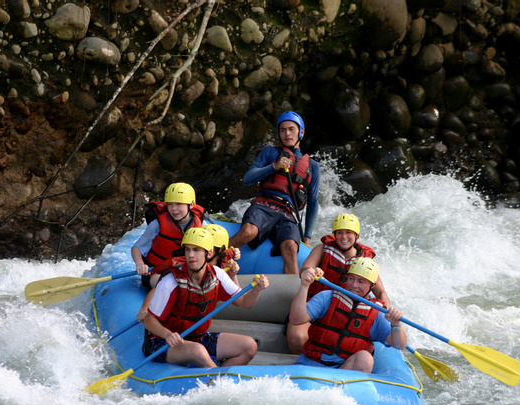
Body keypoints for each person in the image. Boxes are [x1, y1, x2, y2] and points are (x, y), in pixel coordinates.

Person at [142, 227, 269, 368]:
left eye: (196, 250)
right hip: (162, 343)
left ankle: (214, 378)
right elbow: (149, 320)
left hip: (197, 338)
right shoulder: (170, 282)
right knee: (198, 351)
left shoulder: (218, 274)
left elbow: (245, 302)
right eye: (188, 250)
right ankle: (219, 382)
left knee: (249, 346)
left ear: (208, 253)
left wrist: (257, 290)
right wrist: (167, 334)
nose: (191, 255)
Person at [228, 111, 320, 275]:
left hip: (288, 212)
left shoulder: (312, 166)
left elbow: (313, 202)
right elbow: (247, 179)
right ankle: (212, 260)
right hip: (264, 203)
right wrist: (274, 167)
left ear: (302, 132)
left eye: (291, 129)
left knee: (291, 248)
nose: (287, 134)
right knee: (249, 231)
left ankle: (288, 297)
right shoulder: (270, 152)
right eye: (283, 130)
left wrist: (307, 238)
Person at [286, 213, 390, 353]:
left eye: (348, 232)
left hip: (342, 315)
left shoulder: (364, 261)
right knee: (297, 338)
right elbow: (305, 269)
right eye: (339, 233)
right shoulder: (322, 249)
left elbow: (381, 292)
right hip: (314, 306)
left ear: (356, 235)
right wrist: (312, 271)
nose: (344, 237)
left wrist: (385, 314)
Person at [289, 257, 406, 373]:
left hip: (343, 372)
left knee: (365, 359)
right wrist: (304, 286)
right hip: (311, 364)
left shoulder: (377, 312)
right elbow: (296, 319)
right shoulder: (327, 297)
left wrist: (396, 324)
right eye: (351, 278)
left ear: (372, 286)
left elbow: (399, 345)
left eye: (361, 281)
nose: (353, 285)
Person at [136, 223, 241, 321]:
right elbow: (159, 287)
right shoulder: (188, 264)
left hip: (199, 295)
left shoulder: (225, 257)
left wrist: (233, 274)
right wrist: (144, 309)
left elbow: (237, 300)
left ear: (219, 251)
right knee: (159, 280)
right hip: (158, 277)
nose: (205, 247)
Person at [131, 182, 205, 288]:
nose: (173, 208)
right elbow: (136, 248)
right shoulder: (157, 225)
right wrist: (140, 264)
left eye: (179, 204)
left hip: (183, 270)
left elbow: (211, 252)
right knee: (166, 284)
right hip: (156, 272)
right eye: (170, 204)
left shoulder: (201, 226)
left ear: (191, 205)